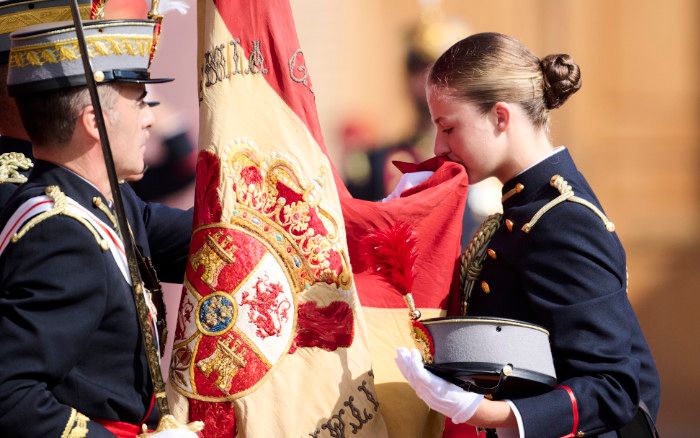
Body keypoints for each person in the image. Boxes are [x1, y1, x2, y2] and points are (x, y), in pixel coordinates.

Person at [395, 32, 660, 437]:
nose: (439, 145)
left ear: (500, 117)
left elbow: (613, 387)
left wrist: (484, 414)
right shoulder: (523, 209)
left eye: (448, 128)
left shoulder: (563, 220)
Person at [0, 18, 196, 437]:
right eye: (140, 102)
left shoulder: (106, 197)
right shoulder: (62, 234)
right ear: (94, 122)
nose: (149, 119)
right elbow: (9, 394)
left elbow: (198, 239)